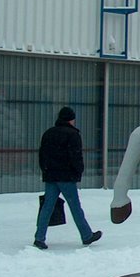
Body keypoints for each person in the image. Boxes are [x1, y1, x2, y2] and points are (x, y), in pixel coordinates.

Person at [34, 106, 101, 249]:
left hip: (51, 176)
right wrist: (78, 171)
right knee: (75, 207)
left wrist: (46, 171)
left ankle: (39, 238)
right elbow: (75, 156)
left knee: (47, 207)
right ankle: (86, 235)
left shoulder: (48, 133)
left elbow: (42, 155)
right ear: (71, 119)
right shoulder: (72, 135)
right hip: (66, 177)